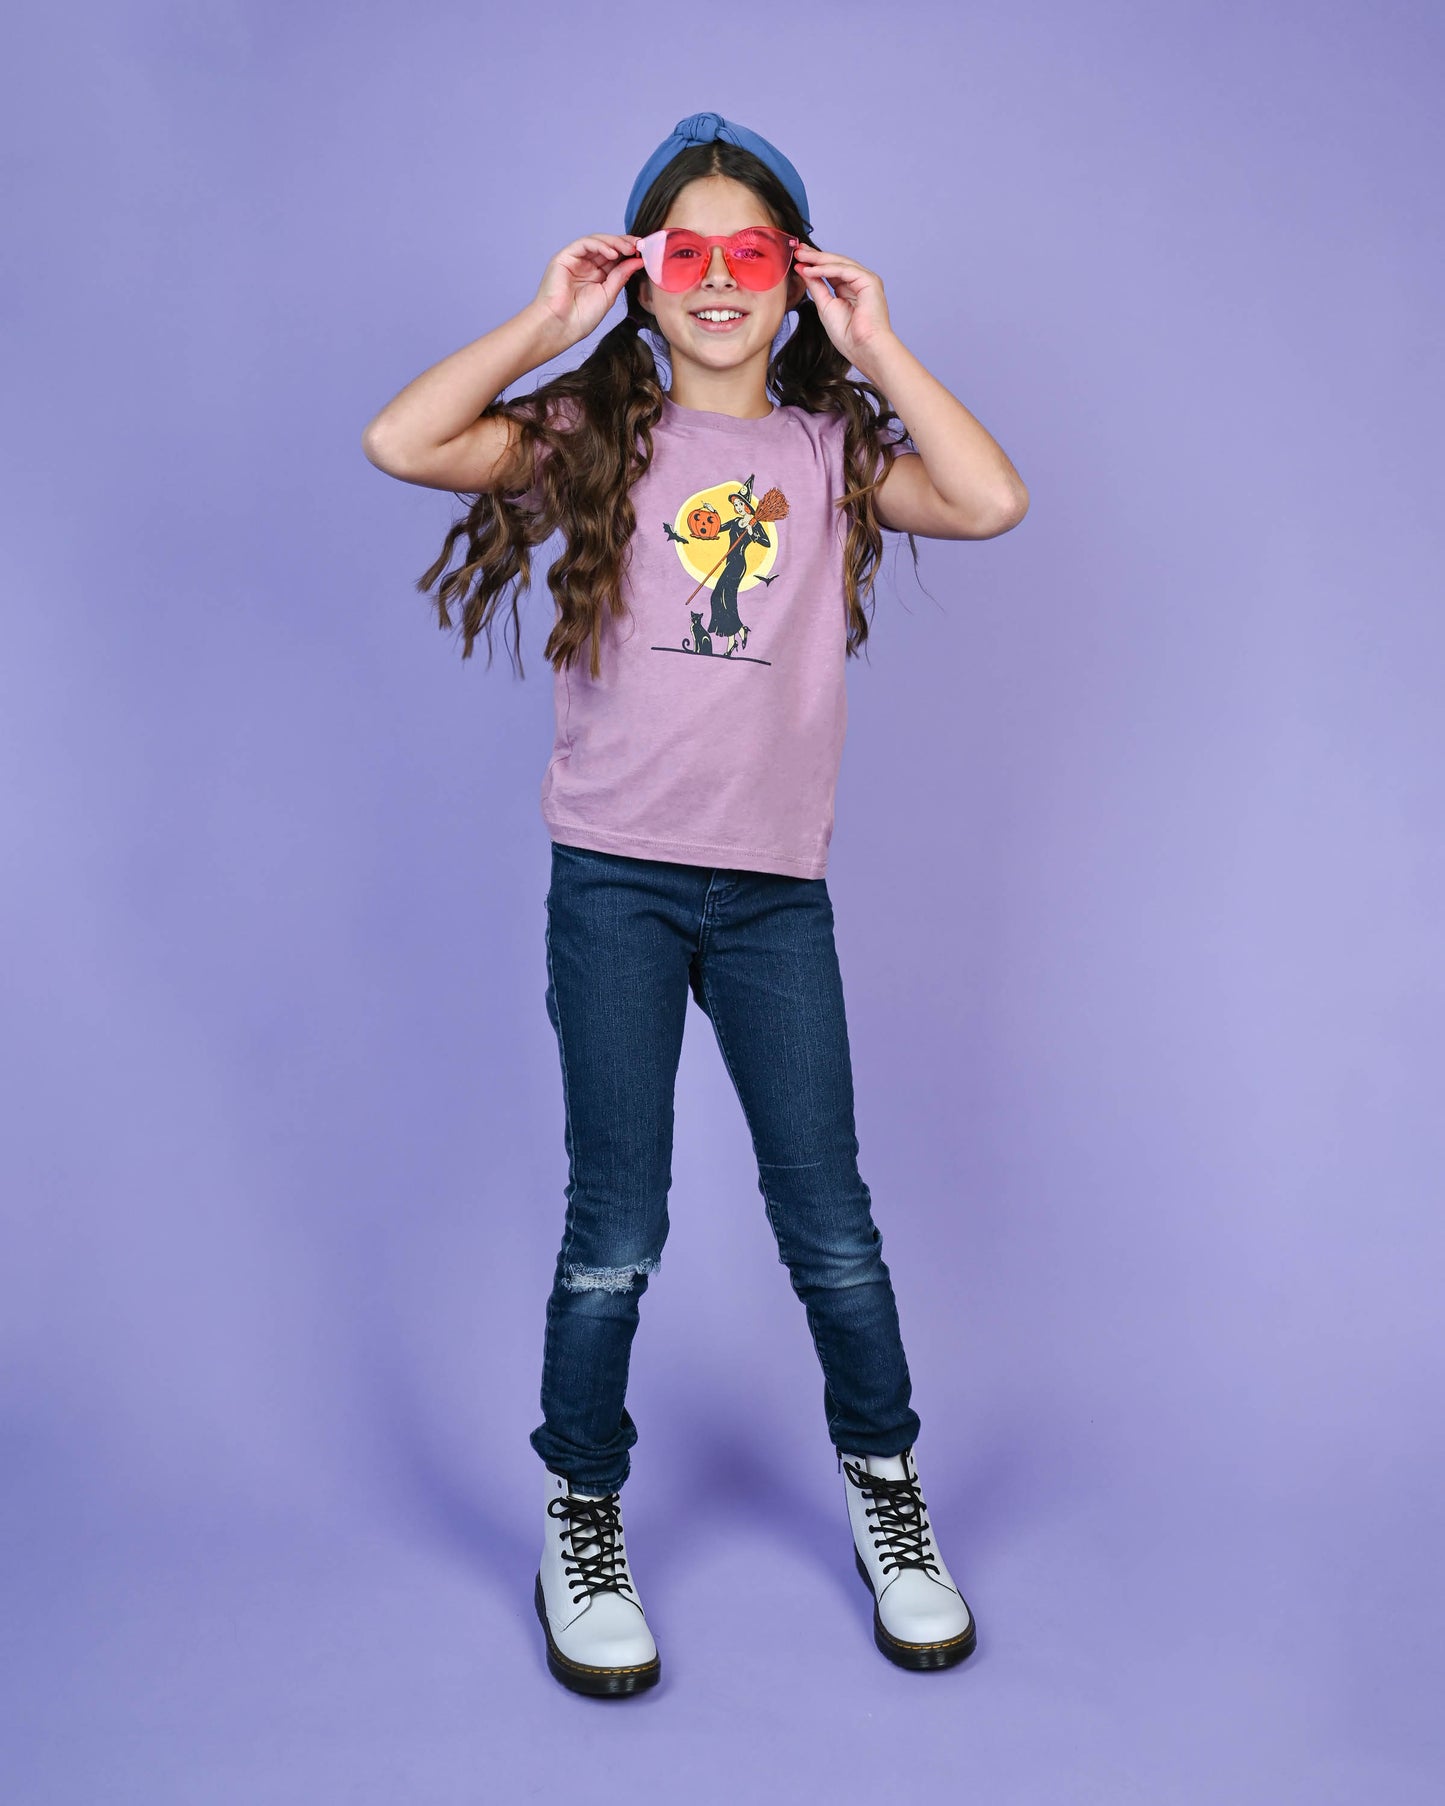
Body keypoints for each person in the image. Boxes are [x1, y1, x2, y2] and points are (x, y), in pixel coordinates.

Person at [362, 111, 1029, 1698]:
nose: (717, 282)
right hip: (617, 888)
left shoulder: (827, 453)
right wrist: (547, 325)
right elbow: (406, 441)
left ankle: (888, 1499)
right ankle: (578, 1513)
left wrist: (880, 338)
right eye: (685, 254)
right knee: (619, 1226)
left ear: (791, 282)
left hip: (773, 897)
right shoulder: (599, 433)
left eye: (751, 255)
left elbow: (991, 498)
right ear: (645, 277)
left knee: (832, 1229)